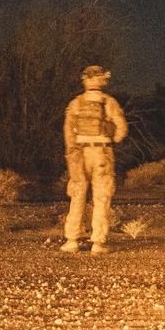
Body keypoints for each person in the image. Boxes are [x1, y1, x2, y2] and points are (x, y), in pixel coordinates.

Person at [61, 64, 128, 253]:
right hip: (101, 153)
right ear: (101, 81)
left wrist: (72, 151)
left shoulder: (75, 103)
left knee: (77, 195)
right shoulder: (109, 102)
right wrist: (110, 139)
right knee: (101, 197)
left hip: (79, 154)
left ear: (85, 80)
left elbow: (67, 131)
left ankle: (71, 240)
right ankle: (98, 242)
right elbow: (121, 130)